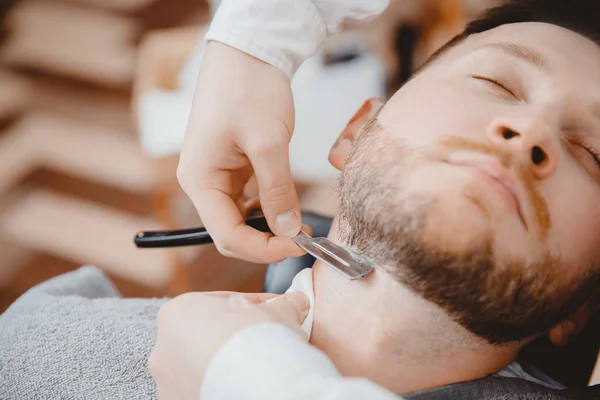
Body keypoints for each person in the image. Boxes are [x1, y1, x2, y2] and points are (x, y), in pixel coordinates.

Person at [154, 0, 600, 398]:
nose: (531, 133)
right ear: (356, 132)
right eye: (495, 82)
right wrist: (250, 45)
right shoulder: (82, 316)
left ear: (584, 303)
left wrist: (252, 378)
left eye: (594, 156)